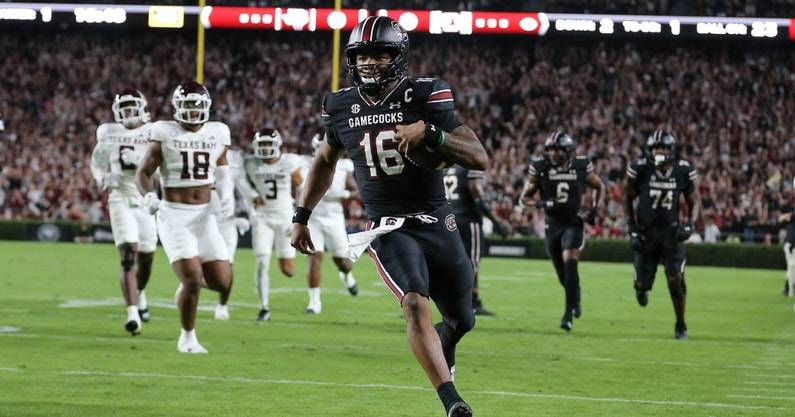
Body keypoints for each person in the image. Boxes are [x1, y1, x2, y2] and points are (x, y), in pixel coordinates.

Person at [292, 16, 487, 417]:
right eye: (361, 55)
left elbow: (478, 156)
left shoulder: (425, 93)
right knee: (415, 302)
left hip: (437, 219)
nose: (368, 62)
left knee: (463, 319)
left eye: (379, 54)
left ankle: (444, 341)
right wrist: (302, 214)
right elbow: (325, 162)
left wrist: (432, 135)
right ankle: (452, 401)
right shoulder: (340, 105)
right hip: (387, 225)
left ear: (398, 57)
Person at [136, 81, 234, 353]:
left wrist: (227, 196)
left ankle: (185, 293)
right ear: (177, 108)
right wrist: (148, 196)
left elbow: (224, 171)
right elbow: (143, 172)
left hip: (205, 216)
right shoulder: (163, 131)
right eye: (187, 106)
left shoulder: (218, 132)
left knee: (221, 281)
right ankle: (187, 337)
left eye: (197, 106)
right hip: (173, 215)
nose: (192, 112)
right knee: (192, 278)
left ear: (207, 107)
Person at [519, 131, 605, 331]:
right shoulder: (541, 167)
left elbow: (600, 186)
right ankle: (575, 296)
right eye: (550, 149)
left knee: (570, 262)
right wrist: (543, 203)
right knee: (562, 273)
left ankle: (568, 315)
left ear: (567, 150)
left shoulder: (581, 165)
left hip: (574, 222)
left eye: (557, 149)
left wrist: (595, 210)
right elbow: (524, 199)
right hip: (552, 225)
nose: (553, 153)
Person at [90, 88, 157, 335]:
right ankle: (132, 314)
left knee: (147, 258)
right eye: (125, 108)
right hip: (120, 197)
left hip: (145, 199)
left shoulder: (152, 133)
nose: (129, 113)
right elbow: (96, 163)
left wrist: (140, 159)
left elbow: (160, 171)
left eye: (132, 108)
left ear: (141, 109)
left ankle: (140, 295)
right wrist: (103, 177)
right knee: (129, 254)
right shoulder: (109, 133)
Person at [624, 129, 700, 340]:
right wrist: (631, 227)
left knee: (675, 279)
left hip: (671, 233)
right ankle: (640, 286)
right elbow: (627, 198)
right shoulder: (640, 168)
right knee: (643, 284)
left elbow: (694, 199)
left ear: (671, 150)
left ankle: (681, 323)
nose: (660, 151)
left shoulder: (682, 169)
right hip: (646, 233)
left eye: (664, 147)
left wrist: (690, 224)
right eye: (657, 147)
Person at [242, 128, 303, 321]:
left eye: (268, 143)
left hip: (285, 216)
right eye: (262, 144)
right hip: (262, 217)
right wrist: (251, 195)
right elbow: (240, 181)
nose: (265, 148)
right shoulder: (251, 164)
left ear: (277, 145)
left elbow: (302, 188)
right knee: (261, 262)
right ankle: (264, 307)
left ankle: (284, 257)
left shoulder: (288, 162)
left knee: (288, 270)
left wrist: (298, 216)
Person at [300, 134, 359, 314]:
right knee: (314, 257)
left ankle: (347, 274)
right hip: (314, 218)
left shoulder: (343, 166)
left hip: (334, 217)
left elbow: (355, 190)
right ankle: (314, 302)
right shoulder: (305, 164)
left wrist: (343, 195)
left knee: (342, 261)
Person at [444, 166, 510, 316]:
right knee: (472, 262)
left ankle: (455, 301)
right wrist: (497, 222)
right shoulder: (469, 167)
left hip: (451, 220)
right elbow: (478, 199)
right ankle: (472, 303)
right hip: (469, 220)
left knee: (454, 262)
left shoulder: (448, 169)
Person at [209, 146, 250, 320]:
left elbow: (243, 188)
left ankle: (222, 305)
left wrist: (247, 214)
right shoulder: (194, 154)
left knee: (228, 265)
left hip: (227, 221)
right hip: (203, 219)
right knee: (195, 264)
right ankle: (189, 289)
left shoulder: (234, 161)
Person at [778, 200, 795, 296]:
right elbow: (781, 219)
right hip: (791, 245)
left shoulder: (790, 219)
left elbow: (781, 219)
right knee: (791, 268)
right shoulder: (791, 218)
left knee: (791, 268)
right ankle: (788, 289)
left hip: (790, 244)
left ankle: (788, 289)